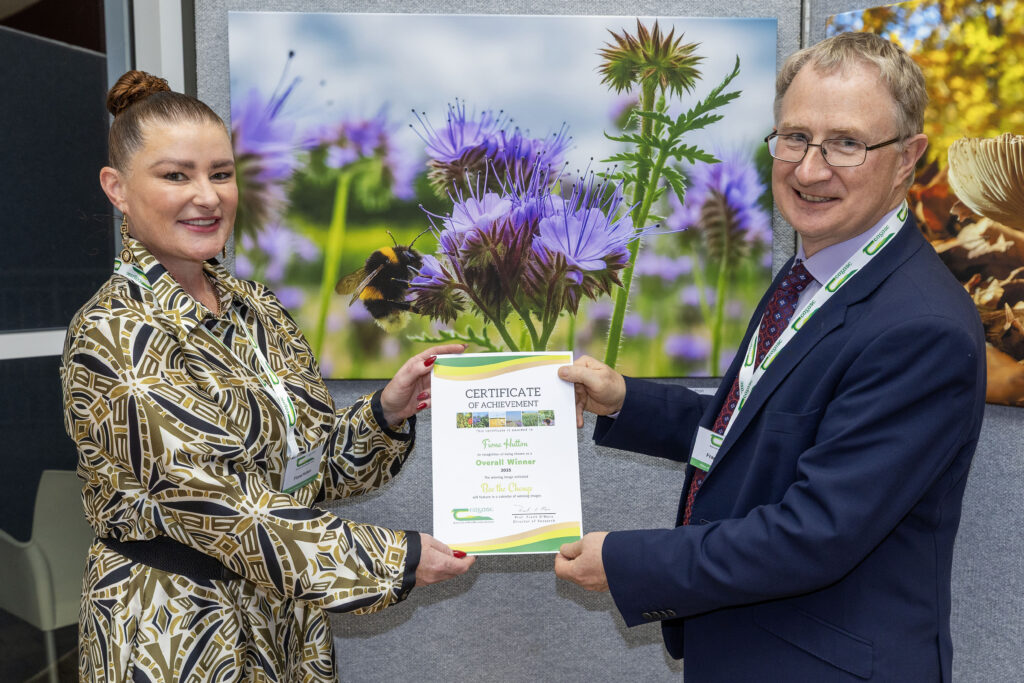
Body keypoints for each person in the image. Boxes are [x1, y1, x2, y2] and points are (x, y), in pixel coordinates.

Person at [554, 32, 985, 682]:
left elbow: (815, 532)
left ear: (907, 159)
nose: (810, 170)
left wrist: (627, 561)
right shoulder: (812, 270)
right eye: (795, 137)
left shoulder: (921, 328)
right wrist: (628, 399)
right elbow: (761, 432)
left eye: (846, 143)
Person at [60, 70, 474, 682]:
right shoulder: (114, 333)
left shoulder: (256, 308)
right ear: (116, 188)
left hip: (285, 624)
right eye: (176, 175)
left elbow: (309, 470)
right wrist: (396, 559)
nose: (207, 196)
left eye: (220, 174)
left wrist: (388, 409)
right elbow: (218, 509)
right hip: (178, 632)